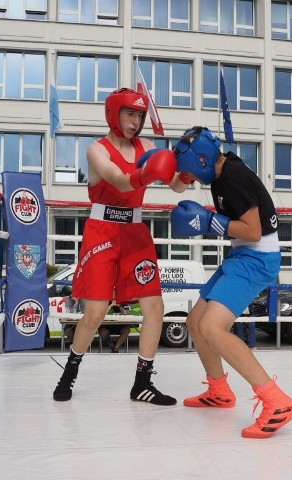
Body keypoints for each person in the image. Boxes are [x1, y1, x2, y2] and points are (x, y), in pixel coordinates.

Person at [53, 88, 187, 405]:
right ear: (114, 114)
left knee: (155, 307)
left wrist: (192, 165)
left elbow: (178, 185)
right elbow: (118, 179)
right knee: (96, 311)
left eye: (140, 115)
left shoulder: (149, 146)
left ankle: (142, 383)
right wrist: (148, 171)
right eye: (130, 114)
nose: (136, 121)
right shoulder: (96, 151)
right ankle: (69, 372)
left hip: (135, 232)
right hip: (102, 230)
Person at [170, 126, 292, 439]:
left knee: (213, 328)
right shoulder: (220, 168)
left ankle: (277, 401)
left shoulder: (233, 177)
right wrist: (170, 167)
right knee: (196, 321)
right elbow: (177, 187)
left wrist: (210, 222)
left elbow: (253, 231)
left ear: (201, 159)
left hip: (256, 258)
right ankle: (219, 390)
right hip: (242, 257)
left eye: (193, 172)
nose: (195, 180)